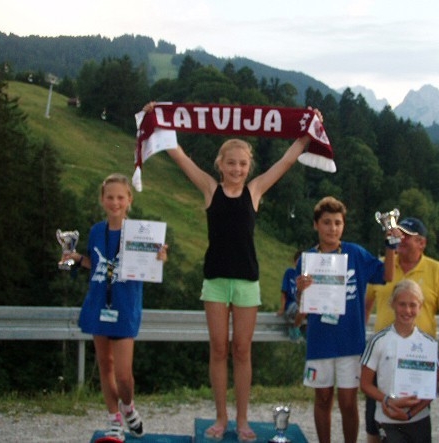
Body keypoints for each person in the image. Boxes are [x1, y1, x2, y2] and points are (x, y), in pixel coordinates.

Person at [143, 103, 324, 442]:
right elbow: (178, 154)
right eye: (231, 163)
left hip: (246, 283)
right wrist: (156, 116)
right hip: (214, 280)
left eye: (243, 164)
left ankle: (242, 420)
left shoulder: (255, 191)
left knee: (242, 350)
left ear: (248, 166)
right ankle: (221, 418)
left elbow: (285, 162)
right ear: (220, 165)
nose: (237, 169)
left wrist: (307, 130)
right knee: (218, 349)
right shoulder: (210, 189)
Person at [64, 173, 168, 441]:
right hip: (98, 303)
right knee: (105, 365)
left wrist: (159, 259)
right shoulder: (97, 231)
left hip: (125, 305)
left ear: (129, 200)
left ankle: (128, 407)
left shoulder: (139, 232)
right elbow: (96, 263)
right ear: (102, 199)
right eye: (110, 197)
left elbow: (149, 268)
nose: (115, 202)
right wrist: (76, 258)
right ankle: (114, 420)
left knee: (123, 375)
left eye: (120, 197)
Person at [293, 196, 395, 443]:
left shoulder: (355, 253)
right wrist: (300, 292)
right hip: (320, 341)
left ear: (343, 226)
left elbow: (388, 275)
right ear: (316, 225)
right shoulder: (307, 259)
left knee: (348, 402)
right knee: (323, 399)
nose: (332, 228)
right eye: (327, 222)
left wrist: (391, 244)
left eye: (338, 223)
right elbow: (299, 317)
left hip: (350, 341)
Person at [365, 216, 439, 443]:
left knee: (415, 412)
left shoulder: (437, 270)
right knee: (374, 423)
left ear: (422, 243)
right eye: (399, 234)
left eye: (408, 236)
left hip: (418, 355)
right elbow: (364, 307)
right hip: (382, 354)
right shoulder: (381, 265)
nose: (402, 239)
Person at [360, 279, 438, 443]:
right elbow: (365, 384)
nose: (407, 310)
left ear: (420, 306)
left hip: (419, 419)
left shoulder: (428, 344)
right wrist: (387, 400)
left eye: (413, 305)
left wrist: (411, 413)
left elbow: (433, 386)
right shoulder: (379, 341)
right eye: (402, 304)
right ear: (393, 304)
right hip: (387, 418)